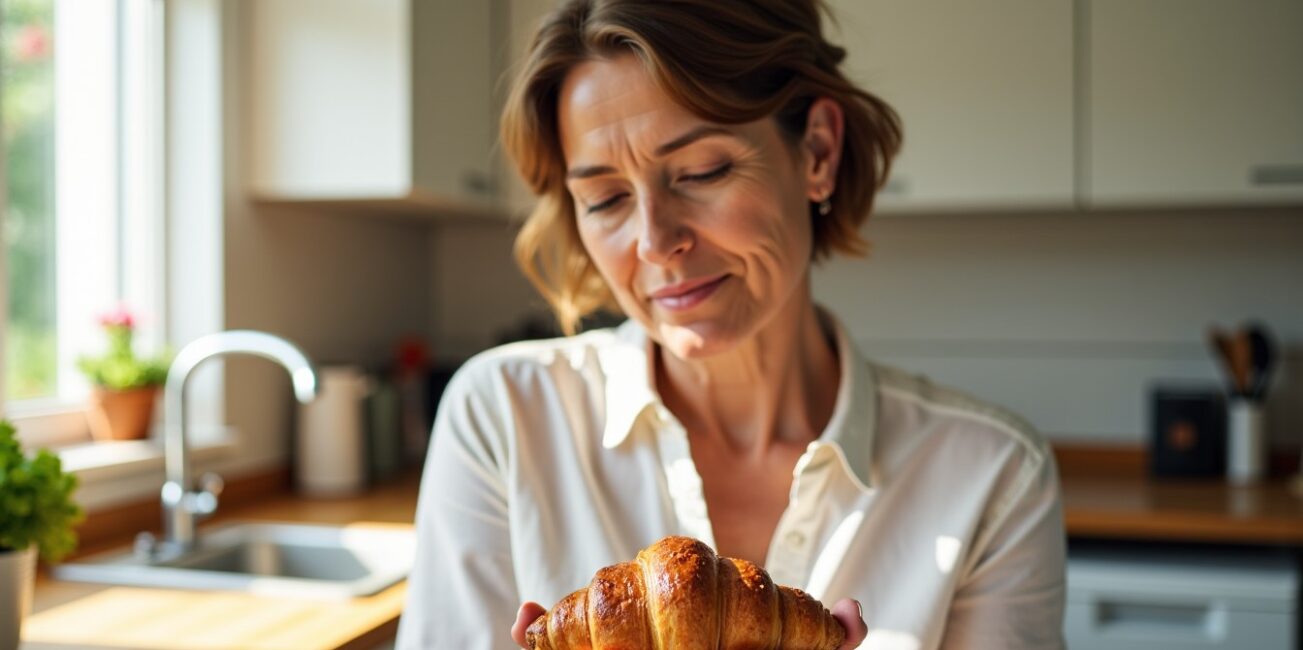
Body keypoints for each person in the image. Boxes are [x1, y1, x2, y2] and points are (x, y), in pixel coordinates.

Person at [396, 1, 1067, 648]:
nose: (654, 242)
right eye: (604, 199)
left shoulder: (990, 476)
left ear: (817, 154)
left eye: (701, 171)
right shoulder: (504, 417)